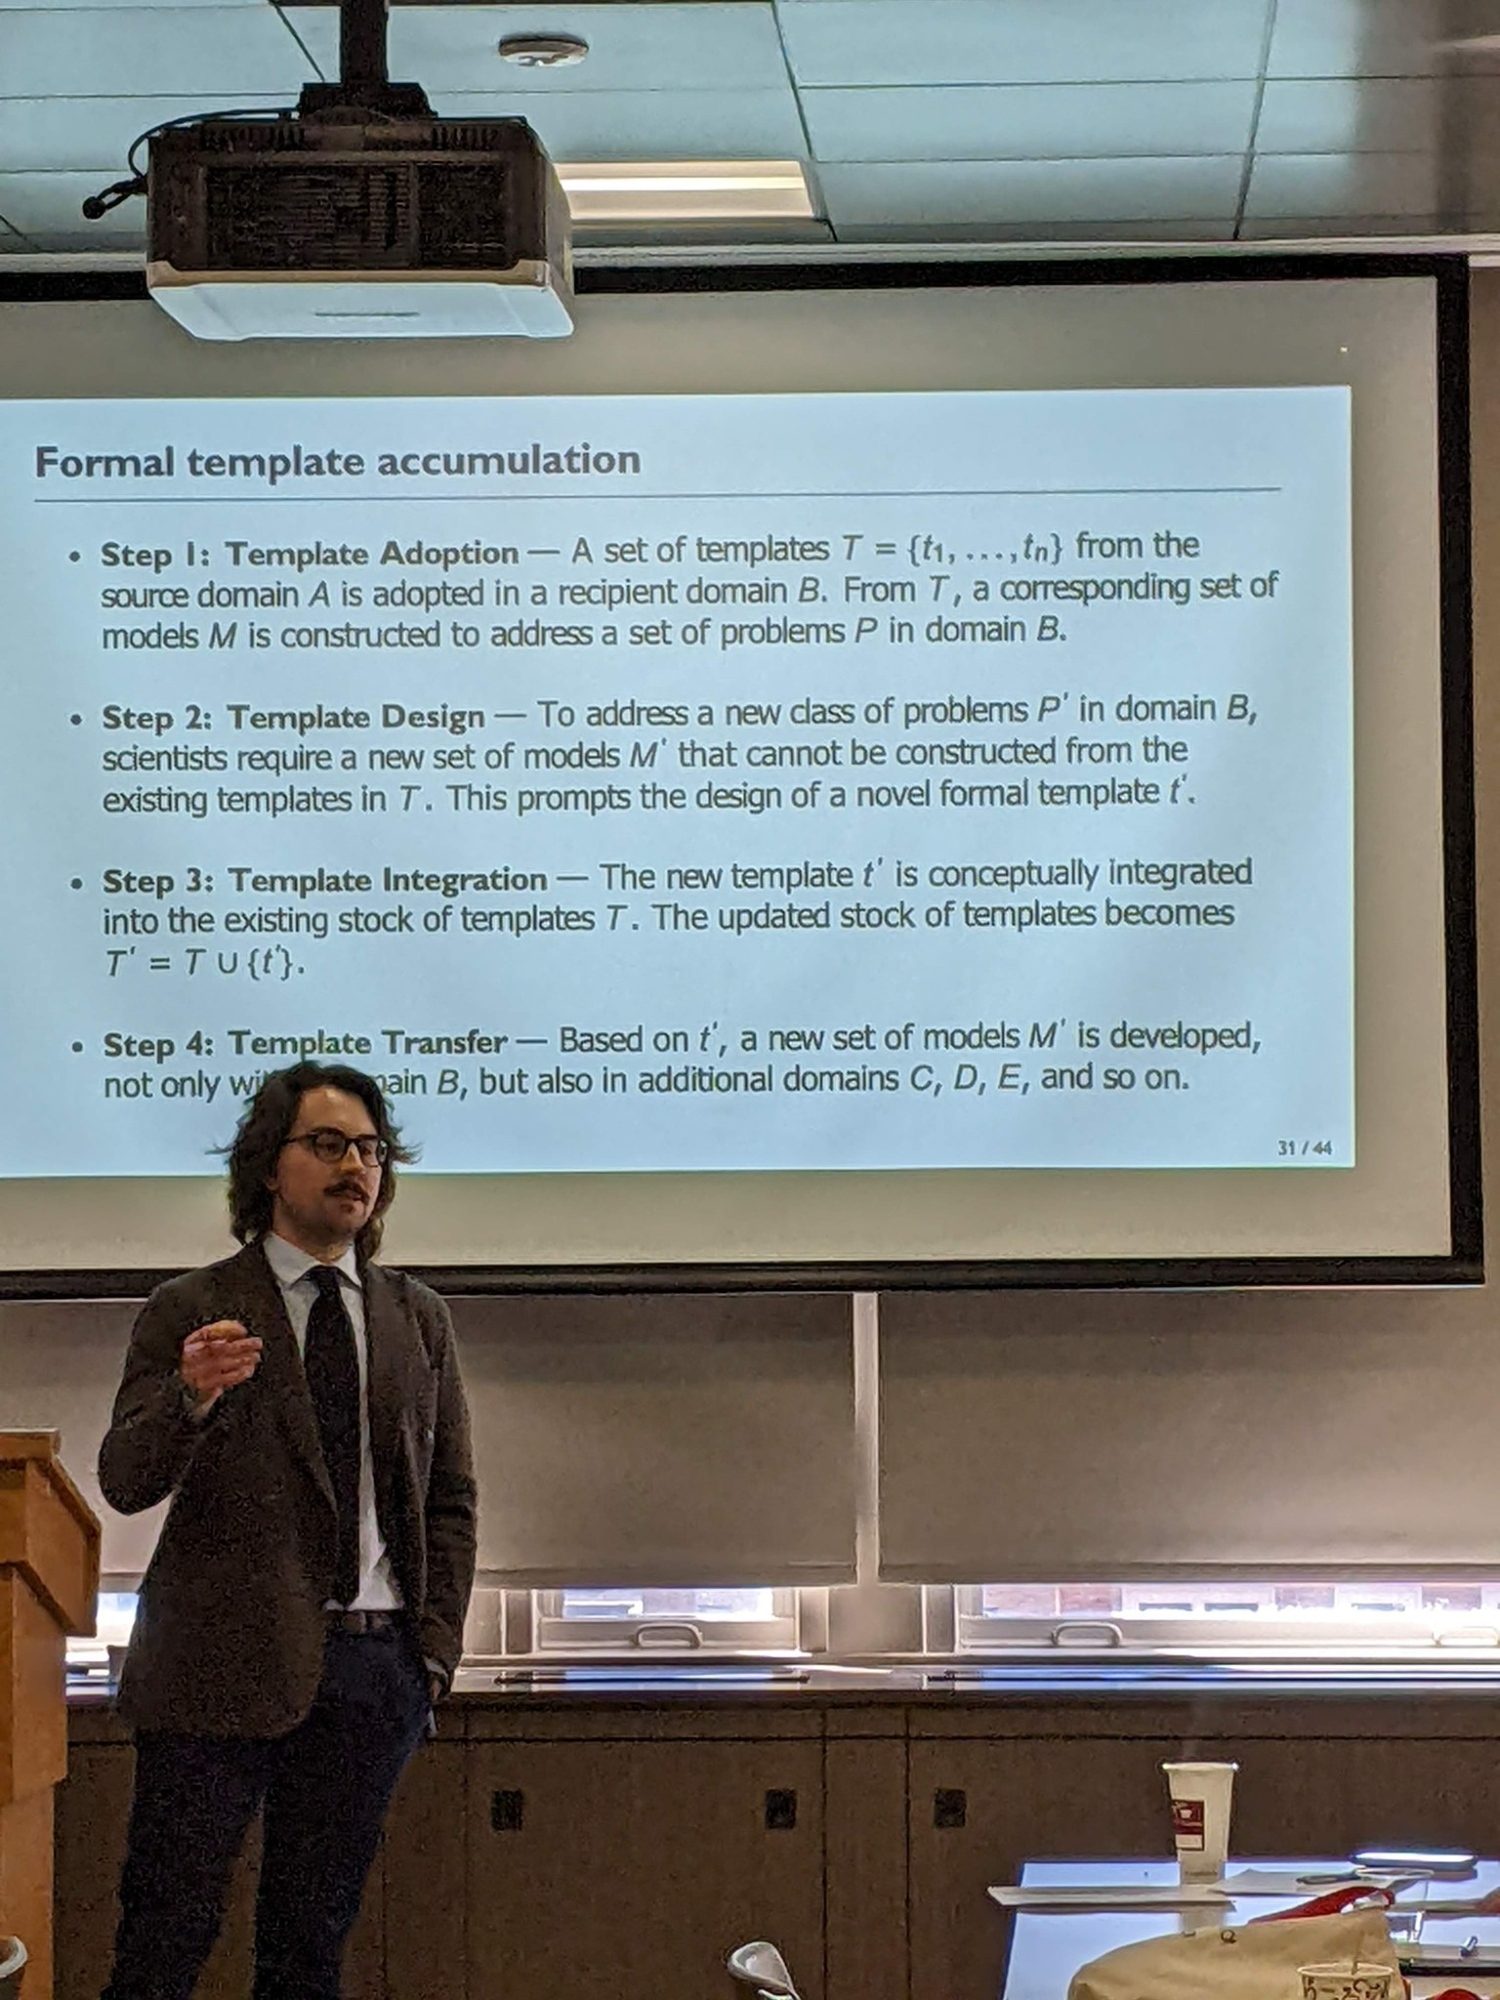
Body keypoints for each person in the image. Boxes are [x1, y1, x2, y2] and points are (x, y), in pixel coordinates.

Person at [97, 1060, 477, 2000]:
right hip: (213, 1671)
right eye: (328, 1144)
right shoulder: (191, 1307)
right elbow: (125, 1480)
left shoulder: (416, 1318)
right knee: (164, 1943)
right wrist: (189, 1396)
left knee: (308, 1954)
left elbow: (450, 1501)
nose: (356, 1168)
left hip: (371, 1671)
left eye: (371, 1150)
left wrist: (430, 1654)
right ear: (271, 1165)